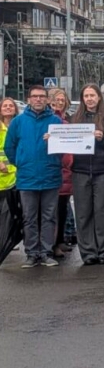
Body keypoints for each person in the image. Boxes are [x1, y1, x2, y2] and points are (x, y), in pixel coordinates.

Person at [5, 85, 63, 268]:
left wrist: (54, 145)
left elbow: (64, 147)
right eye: (35, 96)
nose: (38, 99)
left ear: (47, 99)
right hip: (27, 177)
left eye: (42, 96)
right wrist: (20, 162)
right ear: (28, 99)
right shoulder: (18, 122)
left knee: (49, 217)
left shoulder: (56, 121)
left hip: (50, 176)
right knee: (28, 217)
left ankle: (46, 252)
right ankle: (31, 253)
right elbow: (9, 147)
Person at [70, 85, 104, 265]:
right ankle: (88, 253)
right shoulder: (73, 119)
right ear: (82, 99)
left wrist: (102, 139)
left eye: (92, 95)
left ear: (99, 97)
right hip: (80, 171)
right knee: (83, 214)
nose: (89, 99)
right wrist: (52, 139)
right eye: (86, 96)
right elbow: (66, 142)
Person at [48, 89, 75, 257]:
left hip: (67, 171)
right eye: (55, 100)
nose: (59, 102)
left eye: (62, 100)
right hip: (55, 169)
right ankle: (52, 244)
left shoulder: (68, 120)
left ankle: (60, 240)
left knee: (63, 208)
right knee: (54, 210)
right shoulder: (51, 120)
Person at [0, 98, 19, 254]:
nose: (8, 108)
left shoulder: (18, 126)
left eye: (11, 105)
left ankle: (8, 238)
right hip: (1, 176)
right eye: (5, 106)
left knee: (11, 212)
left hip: (16, 176)